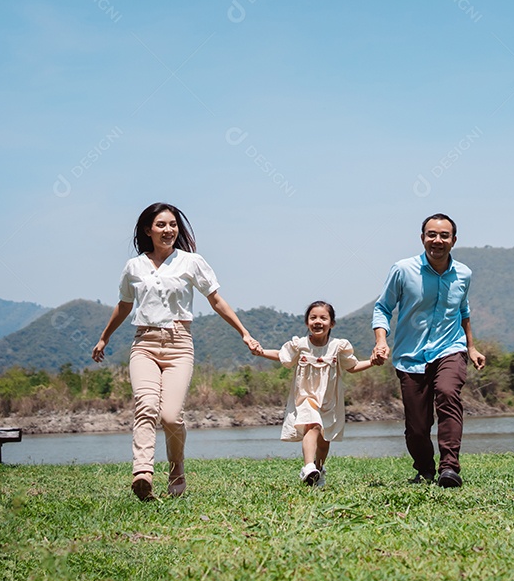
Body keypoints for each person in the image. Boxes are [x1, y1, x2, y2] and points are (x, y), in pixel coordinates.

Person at [92, 202, 260, 501]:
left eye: (172, 224)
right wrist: (104, 338)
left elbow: (216, 300)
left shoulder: (191, 262)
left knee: (170, 416)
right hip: (144, 343)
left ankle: (177, 470)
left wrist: (243, 332)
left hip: (180, 344)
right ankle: (142, 473)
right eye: (161, 225)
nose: (168, 230)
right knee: (146, 406)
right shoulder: (134, 267)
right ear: (148, 230)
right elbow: (124, 305)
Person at [371, 213, 486, 488]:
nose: (437, 240)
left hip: (450, 348)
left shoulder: (463, 274)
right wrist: (381, 341)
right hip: (411, 357)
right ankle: (425, 469)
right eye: (431, 234)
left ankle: (449, 468)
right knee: (417, 427)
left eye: (444, 236)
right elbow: (383, 307)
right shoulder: (402, 270)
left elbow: (463, 311)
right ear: (422, 238)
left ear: (454, 240)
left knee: (448, 394)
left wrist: (471, 347)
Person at [254, 301, 380, 486]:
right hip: (305, 396)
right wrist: (261, 352)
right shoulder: (300, 345)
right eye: (313, 318)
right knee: (312, 426)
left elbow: (352, 366)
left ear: (332, 323)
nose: (318, 321)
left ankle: (317, 472)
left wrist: (372, 361)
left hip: (329, 400)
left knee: (324, 439)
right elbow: (282, 355)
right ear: (307, 323)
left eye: (323, 318)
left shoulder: (339, 346)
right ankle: (308, 467)